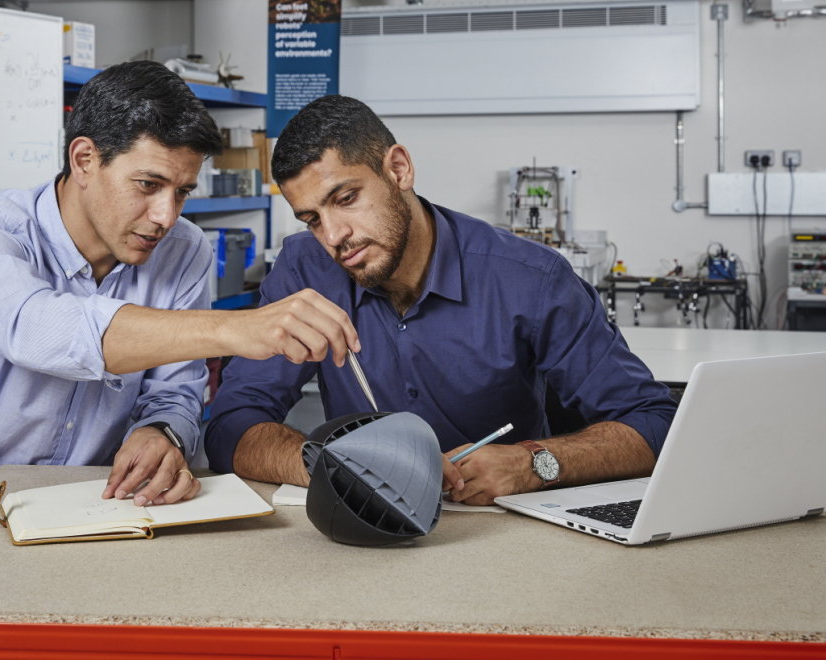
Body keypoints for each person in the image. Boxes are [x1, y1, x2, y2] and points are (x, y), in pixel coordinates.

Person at [0, 61, 359, 508]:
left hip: (98, 507)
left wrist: (160, 432)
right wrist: (235, 328)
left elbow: (176, 392)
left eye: (182, 191)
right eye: (148, 184)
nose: (166, 217)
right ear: (84, 160)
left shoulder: (184, 251)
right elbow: (41, 330)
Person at [205, 95, 677, 505]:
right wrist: (325, 465)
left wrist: (533, 464)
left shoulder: (530, 279)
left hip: (505, 528)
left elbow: (655, 425)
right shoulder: (304, 269)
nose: (334, 237)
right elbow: (231, 422)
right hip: (366, 525)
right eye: (311, 219)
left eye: (346, 198)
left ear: (398, 169)